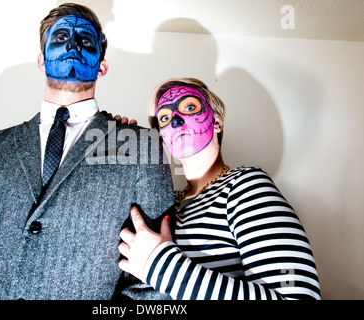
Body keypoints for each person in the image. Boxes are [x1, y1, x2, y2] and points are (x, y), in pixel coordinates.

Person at [0, 3, 174, 299]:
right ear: (41, 61)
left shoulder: (143, 146)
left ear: (101, 67)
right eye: (61, 38)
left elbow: (152, 282)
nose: (73, 45)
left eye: (86, 41)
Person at [118, 78, 321, 300]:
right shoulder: (166, 201)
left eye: (190, 107)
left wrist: (163, 266)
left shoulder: (246, 186)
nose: (175, 122)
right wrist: (115, 144)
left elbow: (299, 297)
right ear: (163, 138)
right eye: (164, 118)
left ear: (216, 122)